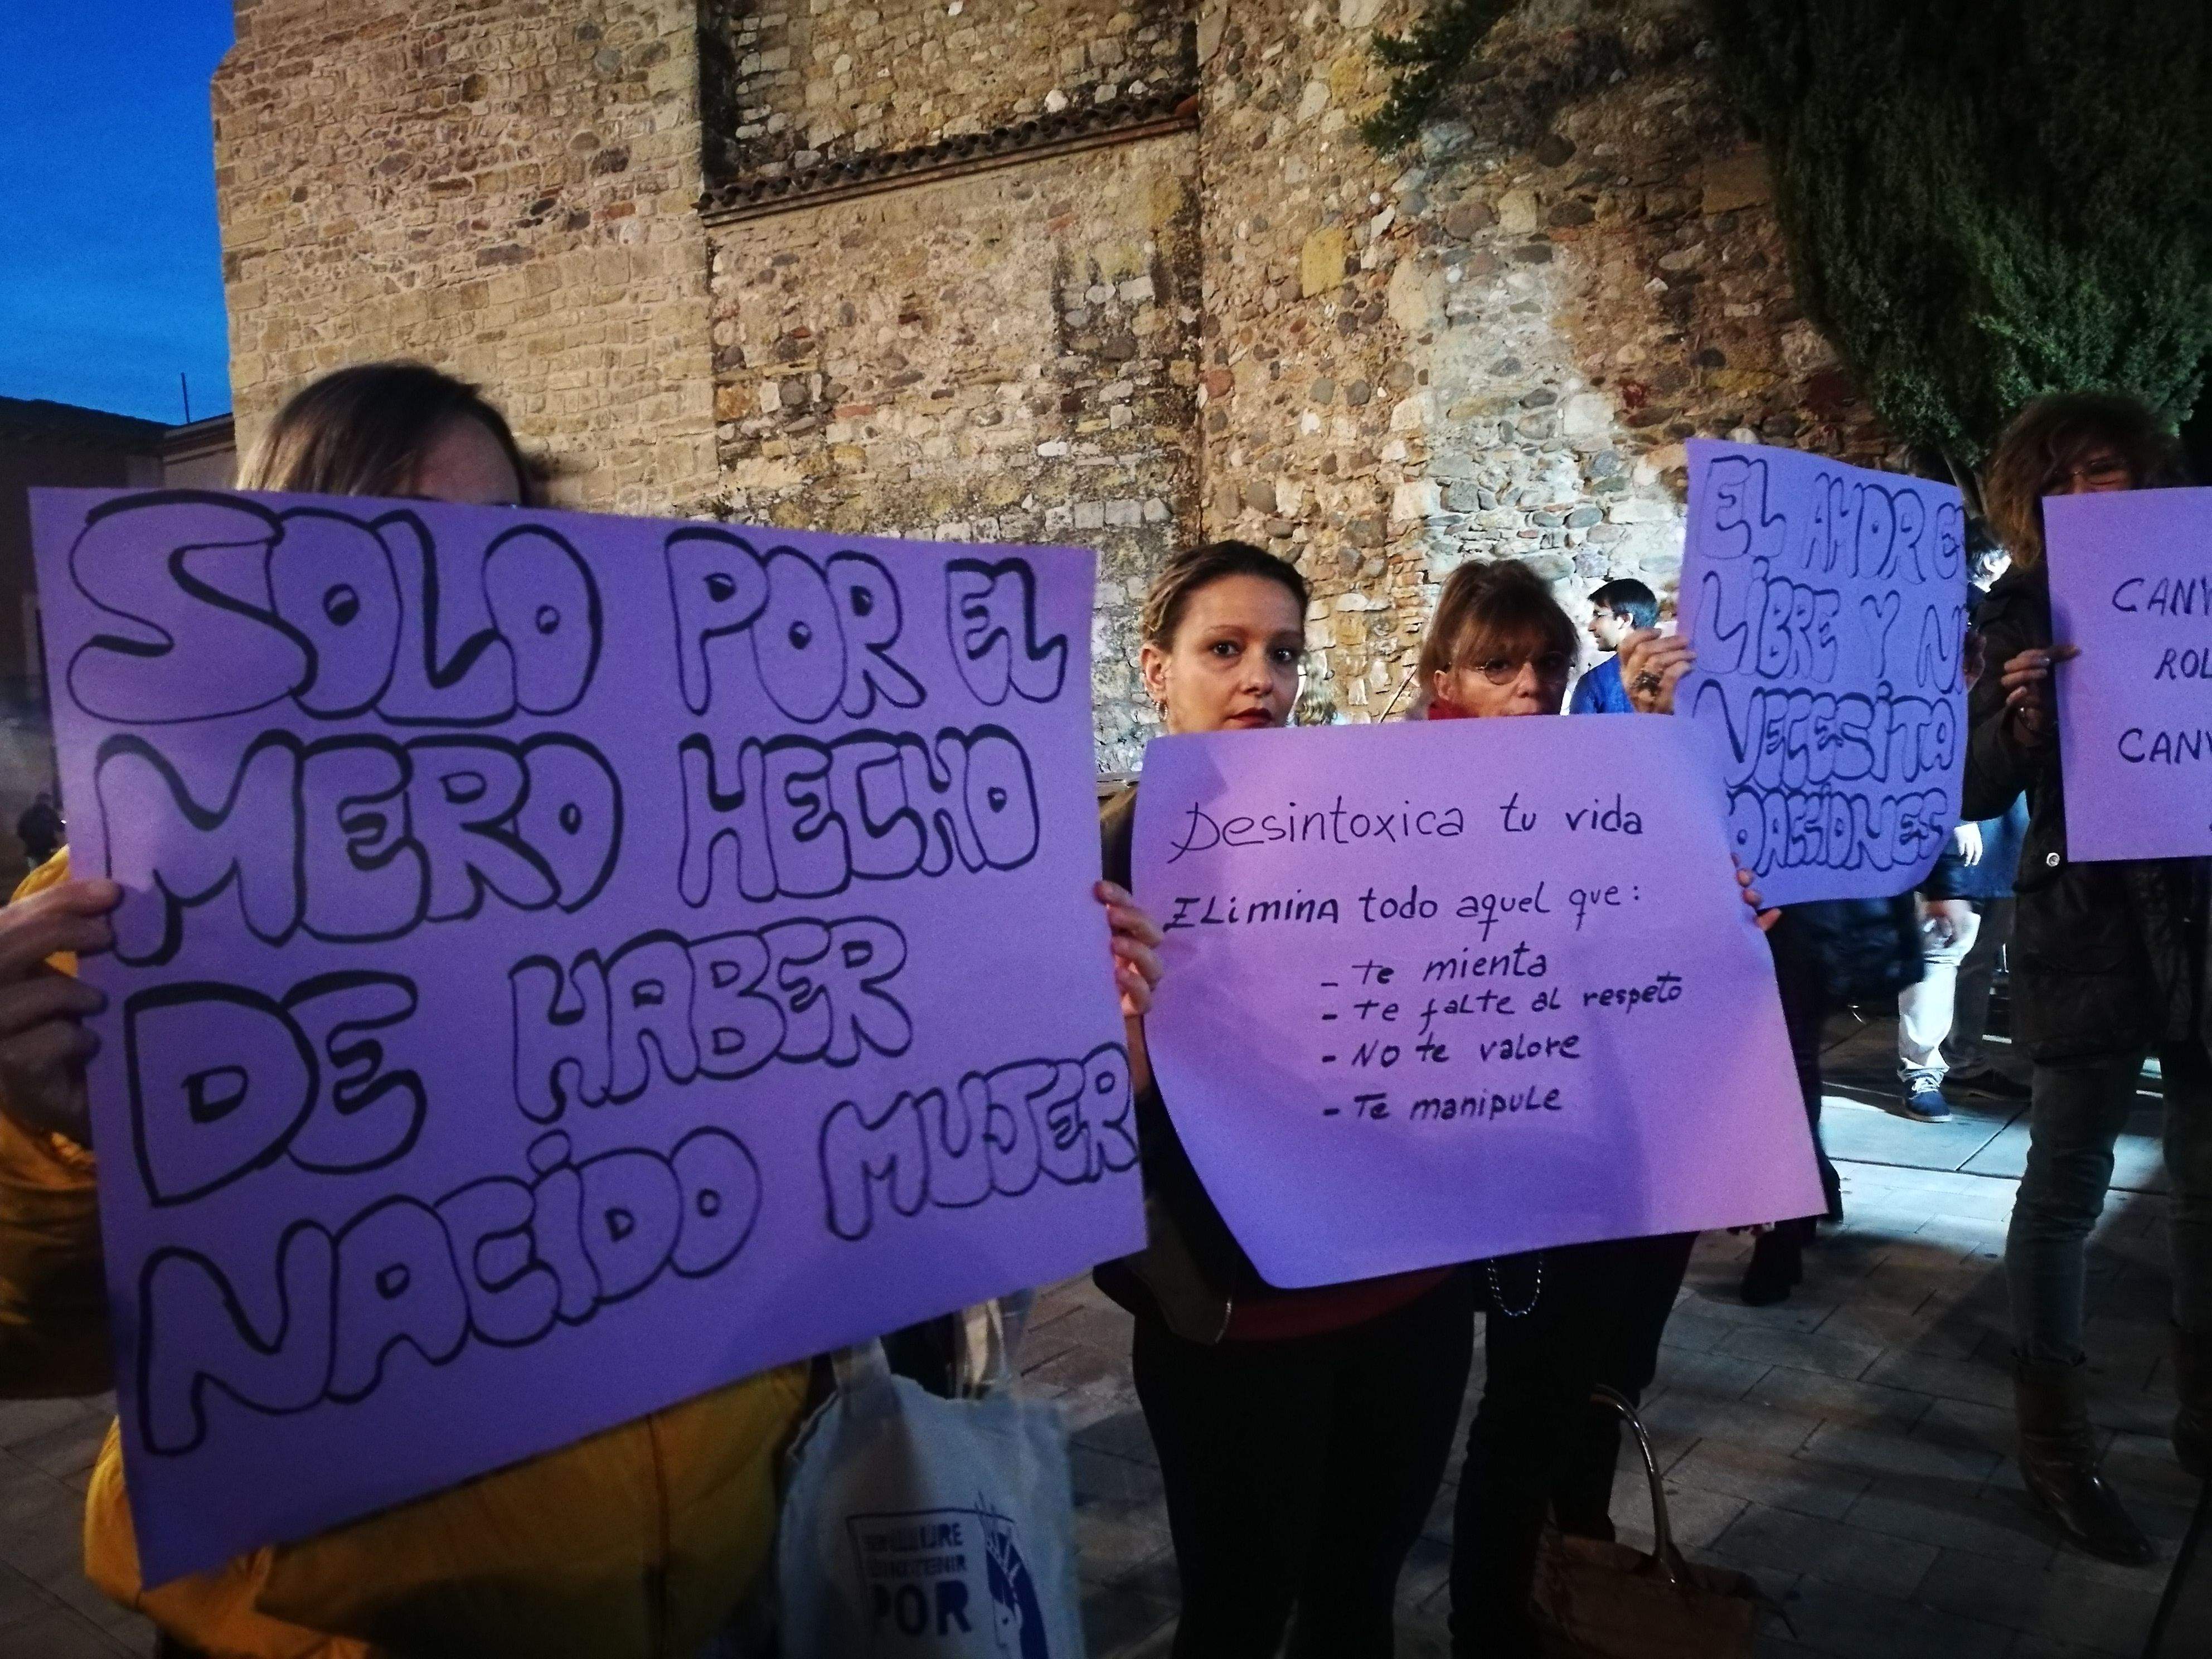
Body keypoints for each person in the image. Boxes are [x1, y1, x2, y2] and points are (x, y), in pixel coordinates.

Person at [0, 362, 1165, 1659]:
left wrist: (1043, 1058)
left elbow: (828, 1166)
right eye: (380, 544)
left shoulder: (679, 843)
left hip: (712, 1594)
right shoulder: (131, 898)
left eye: (495, 545)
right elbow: (33, 1339)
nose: (448, 600)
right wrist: (50, 1134)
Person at [1095, 540, 1477, 1659]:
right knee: (1237, 1612)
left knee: (1358, 1600)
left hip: (1407, 1294)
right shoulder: (1094, 864)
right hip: (1234, 1318)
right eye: (1224, 648)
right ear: (1155, 668)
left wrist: (1697, 919)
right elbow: (1067, 1126)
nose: (1259, 676)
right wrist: (1121, 1039)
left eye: (1283, 652)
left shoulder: (1369, 824)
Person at [1423, 560, 1774, 1658]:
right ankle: (1494, 1620)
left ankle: (1572, 1571)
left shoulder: (1608, 777)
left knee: (1614, 1375)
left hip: (1644, 1141)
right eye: (1496, 664)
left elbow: (1700, 908)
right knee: (1529, 1404)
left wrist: (1729, 907)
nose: (1525, 684)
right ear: (1444, 676)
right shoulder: (1399, 803)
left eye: (1543, 663)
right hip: (1524, 1157)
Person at [1967, 391, 2209, 1565]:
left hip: (2201, 922)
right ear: (2027, 498)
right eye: (2056, 478)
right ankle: (2056, 1450)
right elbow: (1962, 789)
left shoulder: (2194, 578)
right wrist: (2012, 722)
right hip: (2082, 928)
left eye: (2101, 467)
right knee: (2064, 1183)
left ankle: (2204, 1427)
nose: (2081, 494)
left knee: (2206, 1186)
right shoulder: (2010, 609)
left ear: (2143, 472)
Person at [1618, 622, 1923, 1306]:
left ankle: (1782, 1231)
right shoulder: (1697, 656)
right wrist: (1654, 710)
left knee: (1786, 1065)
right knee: (1776, 1063)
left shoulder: (1836, 668)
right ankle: (1802, 1196)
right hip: (1734, 895)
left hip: (1802, 904)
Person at [1566, 577, 1657, 715]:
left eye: (1598, 615)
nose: (1591, 627)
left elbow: (1577, 735)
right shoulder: (1683, 675)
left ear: (1624, 620)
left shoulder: (1595, 683)